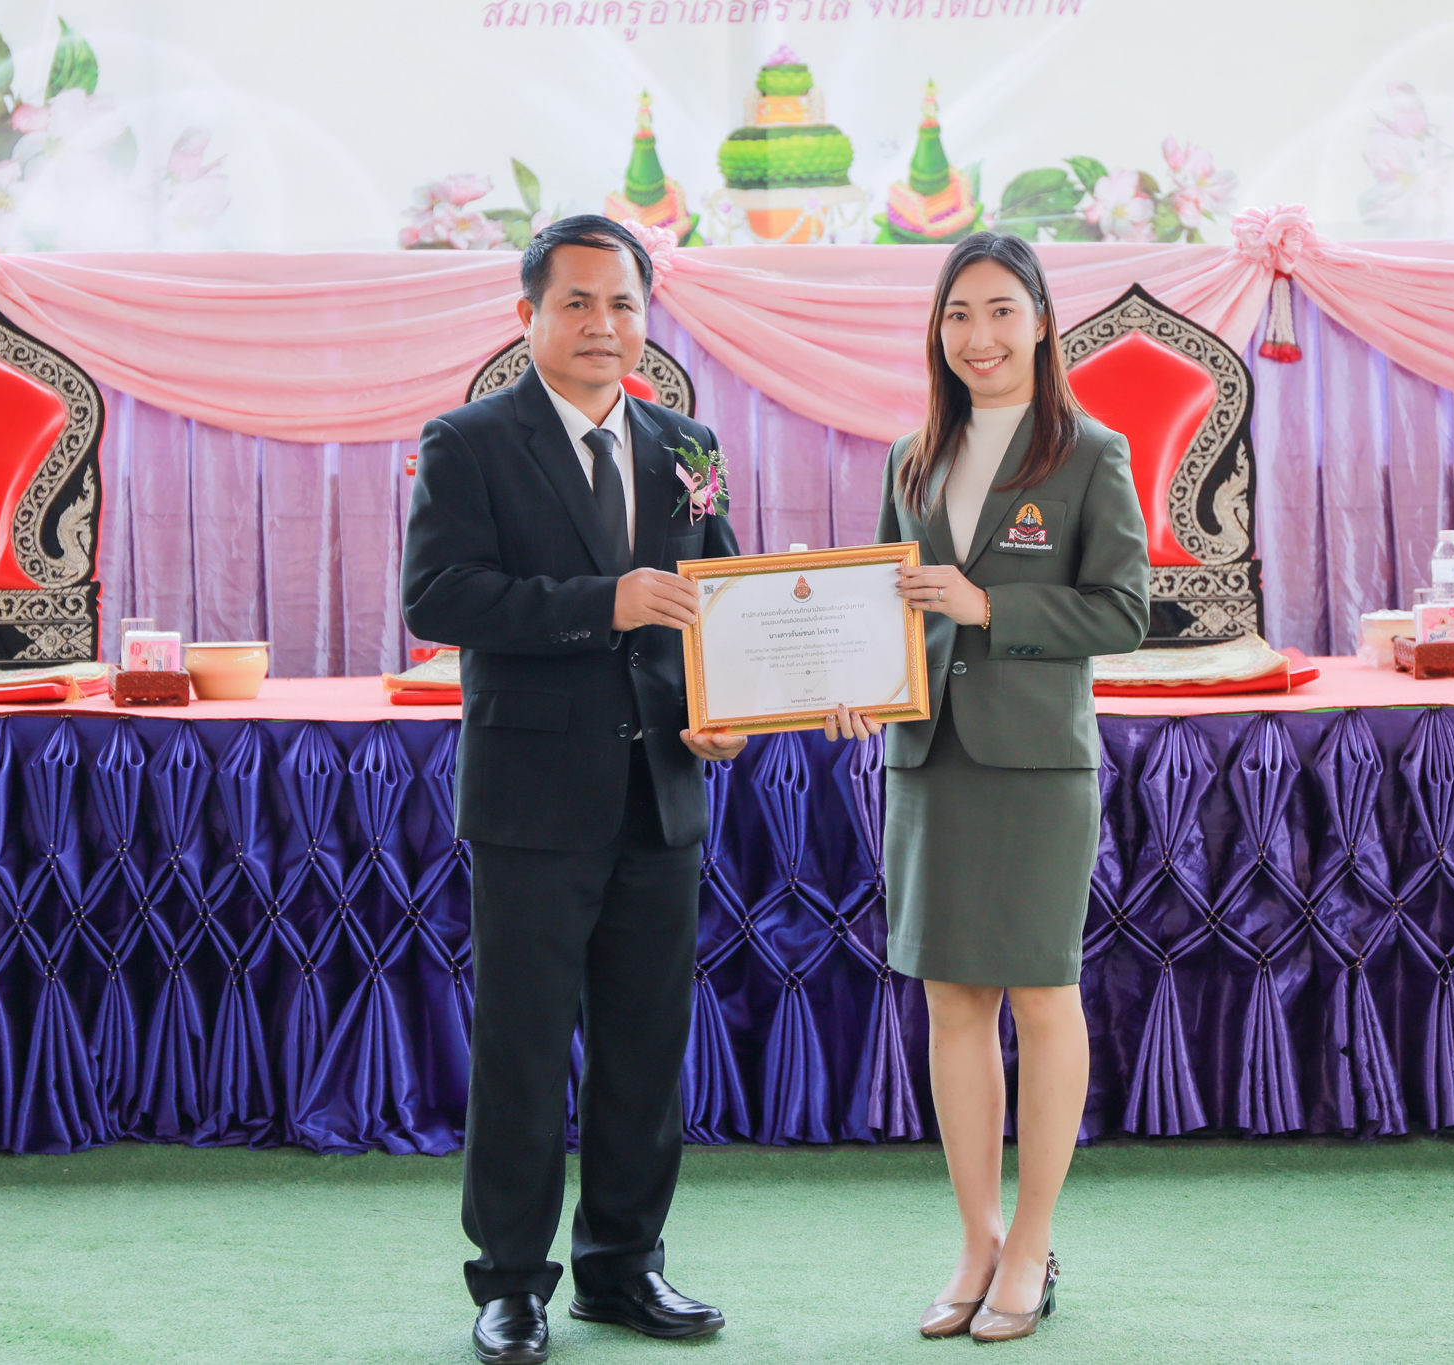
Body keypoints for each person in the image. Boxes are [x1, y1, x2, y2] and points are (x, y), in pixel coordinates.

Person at [402, 215, 747, 1365]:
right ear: (528, 316)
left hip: (663, 788)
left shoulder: (688, 444)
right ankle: (509, 1283)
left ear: (647, 317)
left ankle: (622, 1267)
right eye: (577, 302)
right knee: (522, 1049)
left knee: (646, 1049)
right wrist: (604, 601)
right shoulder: (468, 441)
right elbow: (440, 598)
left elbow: (716, 593)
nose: (603, 324)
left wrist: (726, 703)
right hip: (532, 797)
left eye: (623, 304)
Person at [824, 231, 1147, 1343]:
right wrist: (856, 687)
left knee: (1041, 997)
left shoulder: (1090, 453)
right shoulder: (911, 457)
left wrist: (987, 606)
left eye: (1002, 310)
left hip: (1037, 767)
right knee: (950, 1002)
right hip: (928, 760)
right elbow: (879, 606)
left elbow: (1123, 612)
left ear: (1042, 322)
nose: (979, 336)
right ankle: (975, 1240)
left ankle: (1032, 1244)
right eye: (958, 313)